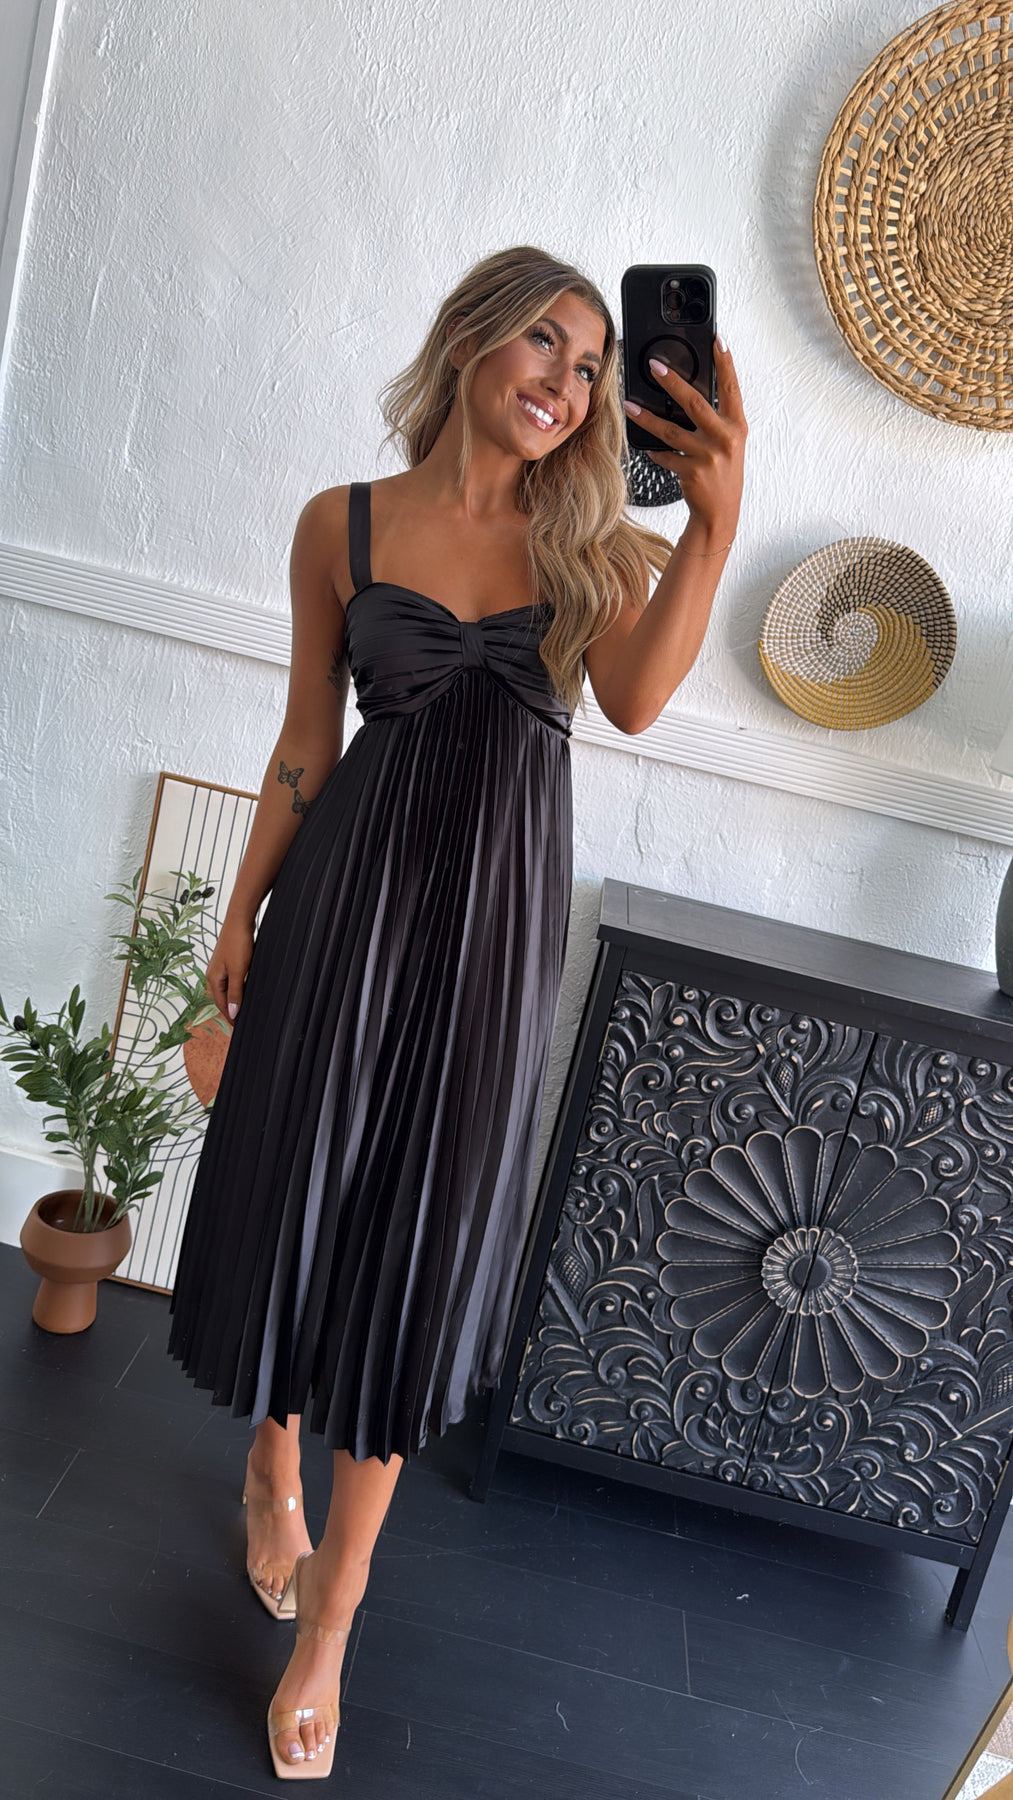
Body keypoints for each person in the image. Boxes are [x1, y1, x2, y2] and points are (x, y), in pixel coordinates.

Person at [168, 244, 746, 1778]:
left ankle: (336, 1614)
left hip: (489, 939)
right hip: (341, 907)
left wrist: (715, 518)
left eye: (591, 365)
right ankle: (271, 1461)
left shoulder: (596, 552)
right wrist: (238, 911)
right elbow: (305, 737)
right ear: (472, 339)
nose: (565, 381)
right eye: (543, 343)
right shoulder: (342, 525)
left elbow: (635, 702)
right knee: (296, 1187)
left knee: (417, 1242)